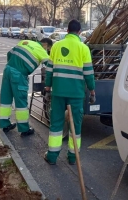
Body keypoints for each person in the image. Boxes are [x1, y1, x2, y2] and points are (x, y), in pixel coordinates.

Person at [44, 19, 96, 165]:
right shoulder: (83, 48)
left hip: (58, 93)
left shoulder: (56, 46)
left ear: (67, 31)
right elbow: (89, 74)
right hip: (76, 94)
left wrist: (47, 88)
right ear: (79, 32)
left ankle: (52, 156)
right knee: (76, 126)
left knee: (56, 125)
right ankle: (73, 157)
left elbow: (49, 70)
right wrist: (92, 92)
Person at [0, 38, 53, 137]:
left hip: (8, 70)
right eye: (48, 49)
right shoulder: (41, 50)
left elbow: (9, 54)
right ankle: (24, 129)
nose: (47, 51)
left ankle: (5, 124)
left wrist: (13, 65)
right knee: (21, 102)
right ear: (46, 45)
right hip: (19, 75)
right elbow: (50, 66)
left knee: (5, 99)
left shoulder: (24, 42)